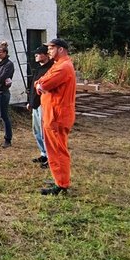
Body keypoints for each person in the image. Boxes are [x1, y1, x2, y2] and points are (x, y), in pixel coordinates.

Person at [36, 38, 77, 195]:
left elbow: (44, 84)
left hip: (57, 115)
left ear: (61, 49)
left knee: (57, 150)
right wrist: (40, 84)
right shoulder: (58, 65)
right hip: (52, 113)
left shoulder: (63, 67)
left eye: (51, 48)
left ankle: (61, 184)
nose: (48, 51)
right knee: (53, 149)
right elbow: (39, 82)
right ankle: (58, 179)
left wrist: (41, 85)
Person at [27, 45, 54, 168]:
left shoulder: (51, 69)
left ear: (46, 55)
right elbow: (34, 87)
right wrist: (30, 102)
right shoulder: (38, 69)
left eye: (38, 54)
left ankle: (50, 157)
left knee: (45, 133)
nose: (35, 56)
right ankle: (43, 153)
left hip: (45, 105)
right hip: (35, 105)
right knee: (36, 131)